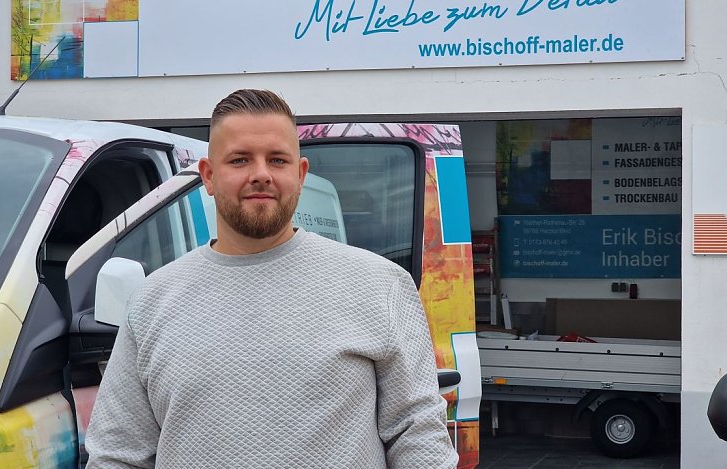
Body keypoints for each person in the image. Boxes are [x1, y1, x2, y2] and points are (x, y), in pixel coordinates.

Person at [85, 89, 458, 468]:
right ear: (209, 176)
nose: (260, 174)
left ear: (299, 175)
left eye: (277, 160)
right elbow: (117, 454)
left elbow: (419, 437)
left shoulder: (380, 285)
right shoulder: (151, 301)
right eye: (240, 159)